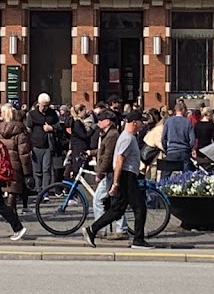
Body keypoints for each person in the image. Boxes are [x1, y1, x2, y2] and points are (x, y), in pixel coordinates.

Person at [84, 111, 150, 249]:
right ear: (134, 123)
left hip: (126, 175)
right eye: (140, 122)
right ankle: (138, 239)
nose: (142, 125)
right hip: (127, 176)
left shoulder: (126, 137)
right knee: (139, 207)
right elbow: (120, 160)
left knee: (117, 210)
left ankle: (92, 229)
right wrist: (116, 182)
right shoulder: (127, 138)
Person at [0, 104, 33, 213]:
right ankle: (11, 211)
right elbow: (23, 152)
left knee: (6, 188)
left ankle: (11, 210)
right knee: (13, 189)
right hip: (15, 162)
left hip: (2, 161)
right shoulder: (20, 129)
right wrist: (27, 172)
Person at [25, 93, 59, 192]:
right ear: (39, 104)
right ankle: (38, 189)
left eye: (47, 105)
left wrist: (52, 128)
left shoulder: (52, 113)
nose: (45, 108)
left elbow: (60, 126)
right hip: (36, 145)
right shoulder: (32, 114)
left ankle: (45, 191)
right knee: (37, 170)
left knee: (46, 169)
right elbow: (28, 130)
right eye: (44, 105)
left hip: (48, 145)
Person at [161, 100, 196, 171]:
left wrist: (166, 149)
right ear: (183, 110)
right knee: (187, 176)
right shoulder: (187, 122)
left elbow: (163, 138)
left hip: (171, 150)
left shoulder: (168, 121)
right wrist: (190, 148)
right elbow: (192, 139)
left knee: (165, 175)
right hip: (184, 150)